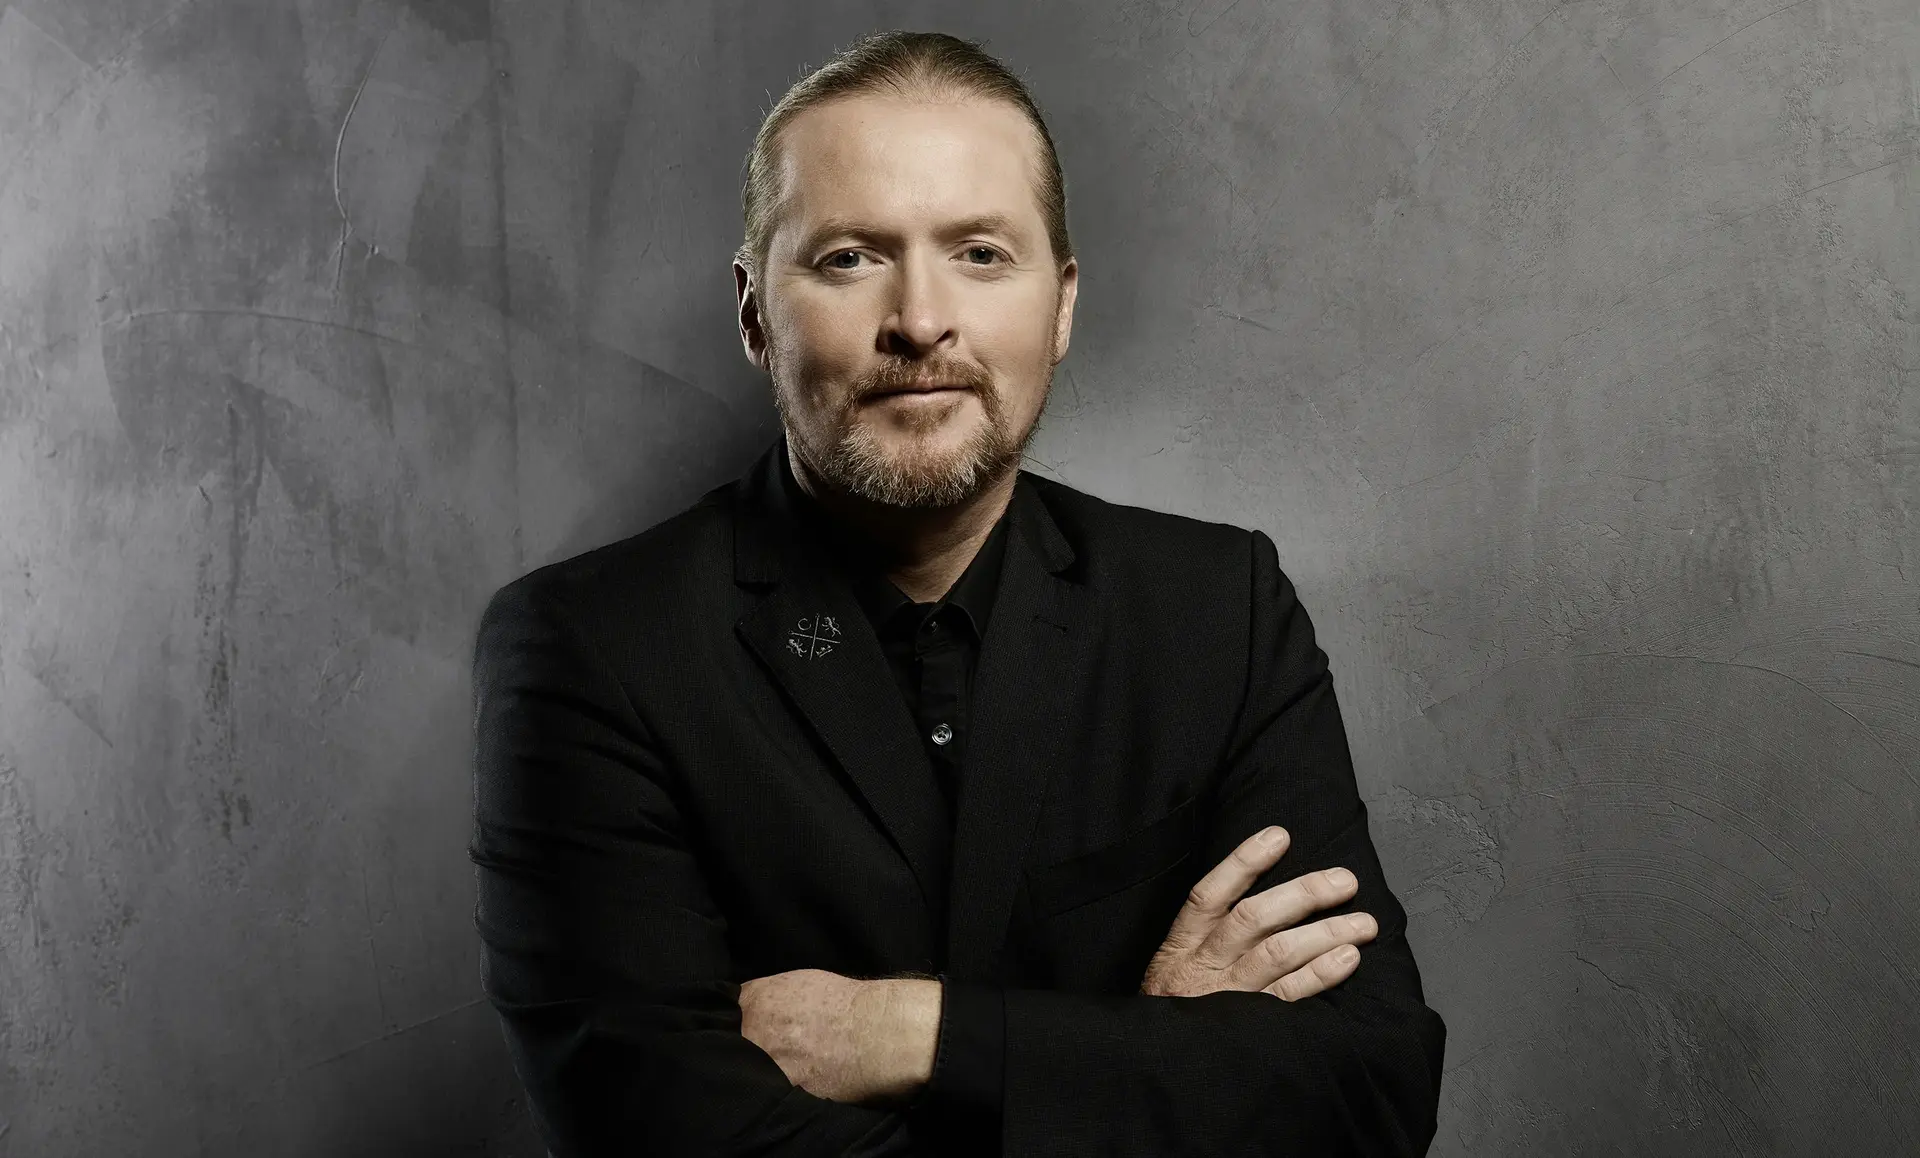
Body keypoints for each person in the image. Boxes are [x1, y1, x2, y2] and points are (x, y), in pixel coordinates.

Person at [469, 29, 1445, 1157]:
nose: (921, 320)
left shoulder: (1218, 611)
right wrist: (1143, 1050)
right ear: (753, 315)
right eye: (848, 257)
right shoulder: (591, 650)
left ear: (1063, 305)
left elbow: (1371, 1095)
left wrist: (919, 1034)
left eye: (981, 253)